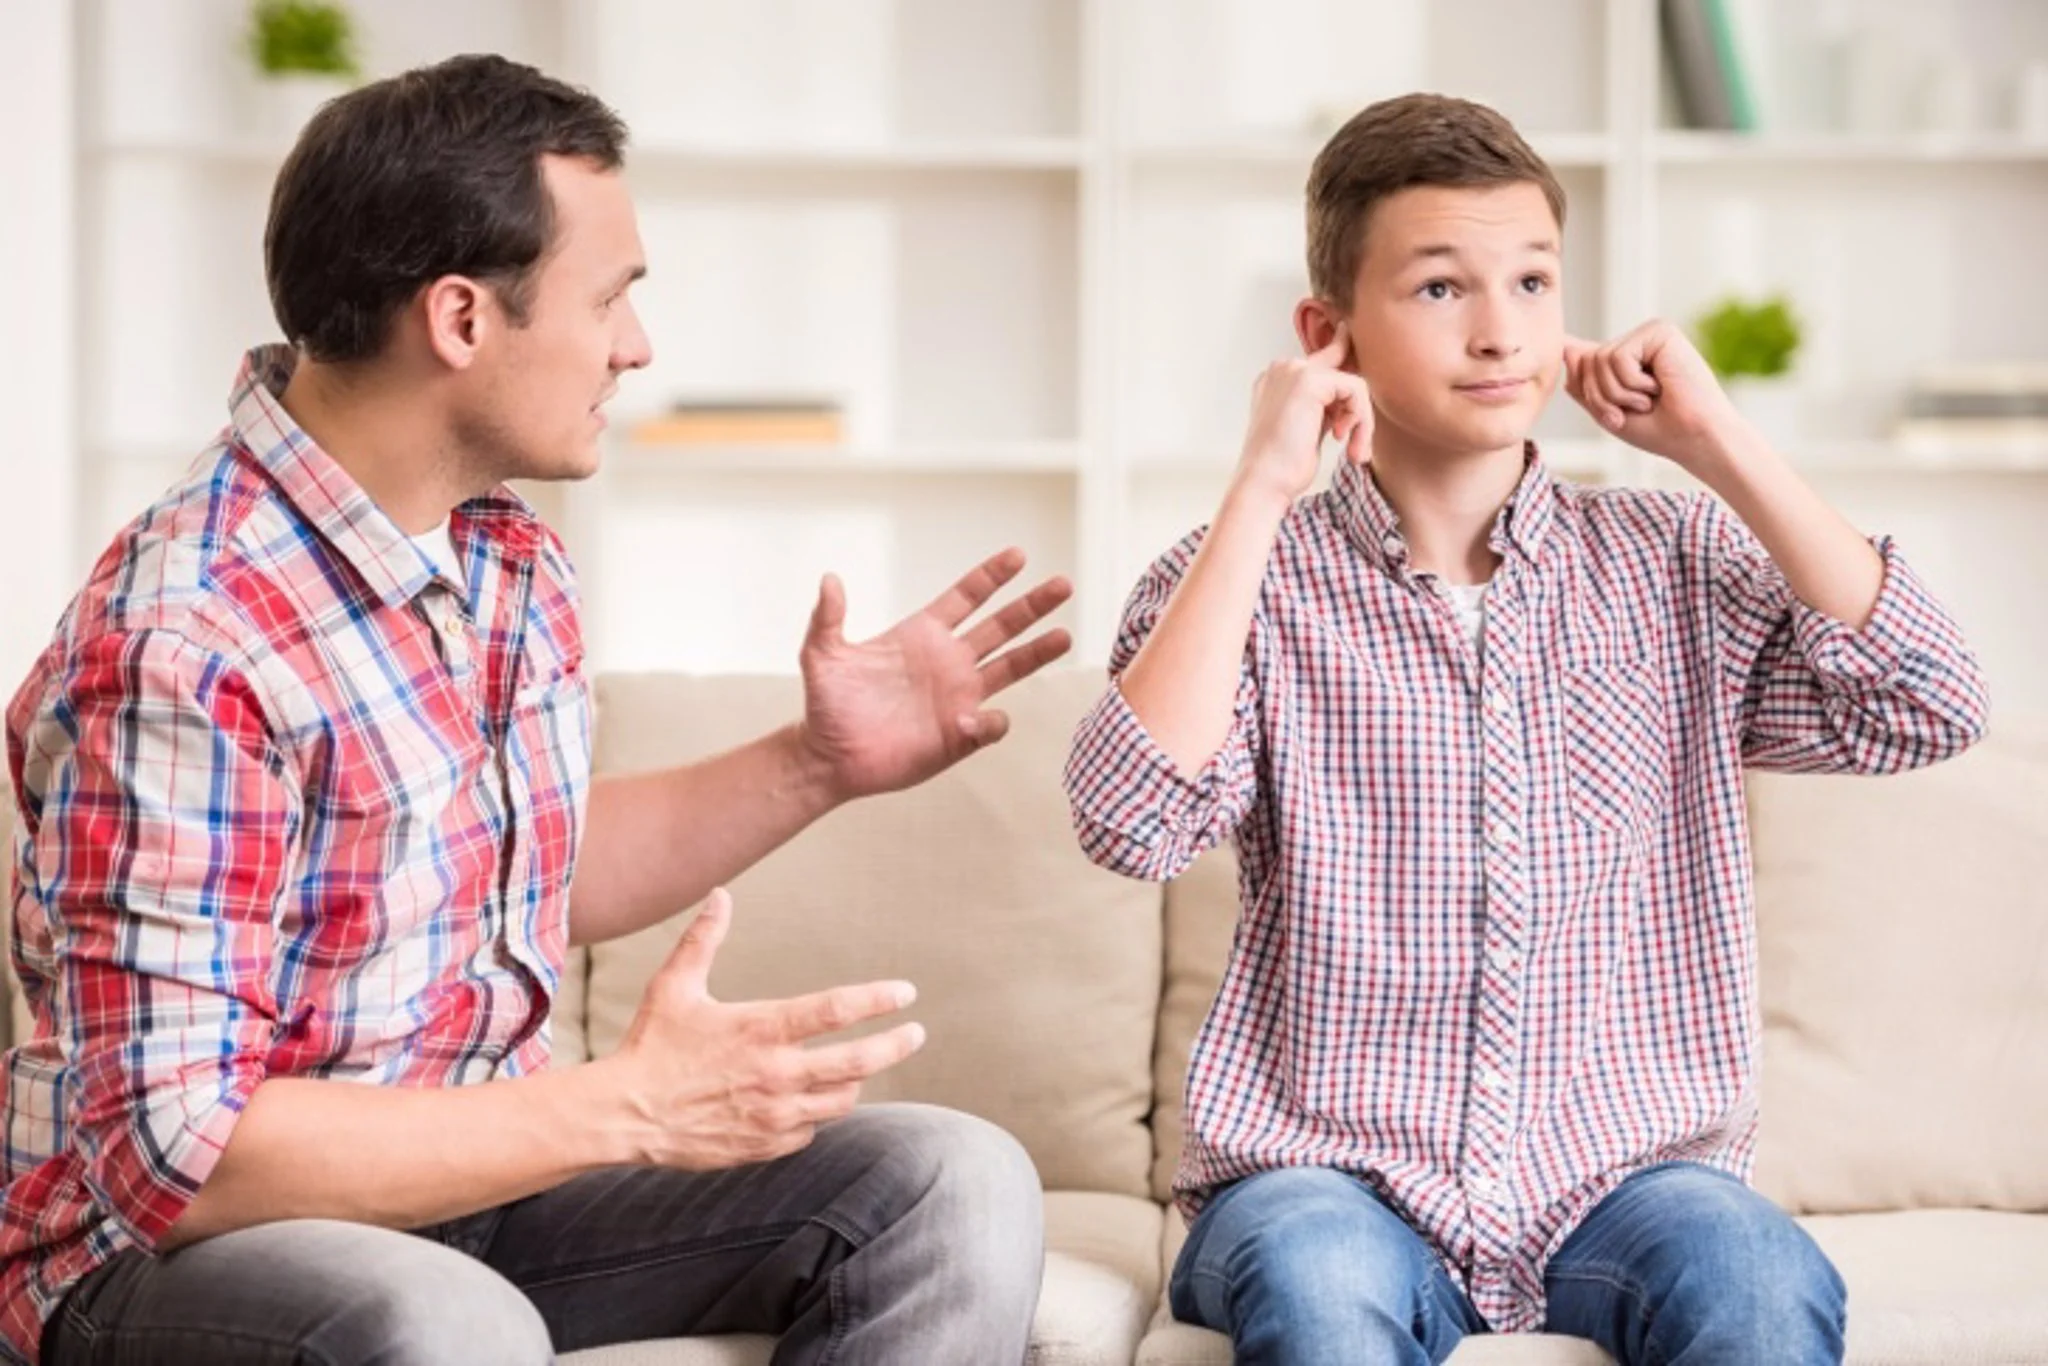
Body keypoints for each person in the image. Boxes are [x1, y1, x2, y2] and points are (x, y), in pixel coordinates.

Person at [2, 54, 1069, 1366]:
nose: (637, 343)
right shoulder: (187, 636)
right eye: (612, 295)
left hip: (474, 1193)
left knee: (948, 1180)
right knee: (446, 1322)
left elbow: (522, 873)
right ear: (461, 318)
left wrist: (818, 761)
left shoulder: (505, 559)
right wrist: (628, 1105)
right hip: (171, 1260)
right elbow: (183, 1154)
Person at [1062, 93, 1988, 1366]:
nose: (1501, 331)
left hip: (1623, 1181)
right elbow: (1130, 822)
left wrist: (1716, 444)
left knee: (1757, 1273)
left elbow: (1925, 702)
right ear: (1324, 334)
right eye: (1440, 288)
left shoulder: (1670, 561)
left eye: (1533, 282)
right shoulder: (1236, 580)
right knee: (1319, 1277)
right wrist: (1259, 489)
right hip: (1324, 1179)